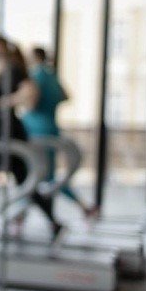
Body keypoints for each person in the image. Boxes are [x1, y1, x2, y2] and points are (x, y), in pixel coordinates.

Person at [0, 36, 64, 238]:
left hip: (9, 133)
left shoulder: (13, 69)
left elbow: (30, 92)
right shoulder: (4, 69)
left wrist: (7, 101)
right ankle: (54, 222)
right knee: (24, 180)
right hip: (3, 131)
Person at [22, 47, 98, 219]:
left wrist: (21, 103)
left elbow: (31, 103)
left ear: (35, 57)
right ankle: (84, 208)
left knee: (36, 174)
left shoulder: (35, 77)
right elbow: (65, 96)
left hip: (36, 129)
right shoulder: (52, 76)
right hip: (51, 127)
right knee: (48, 175)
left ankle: (20, 213)